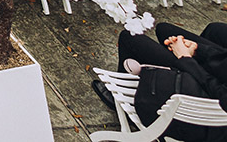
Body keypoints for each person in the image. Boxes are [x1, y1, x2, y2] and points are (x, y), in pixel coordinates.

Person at [92, 21, 227, 141]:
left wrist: (186, 59)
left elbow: (221, 94)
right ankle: (168, 70)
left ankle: (131, 99)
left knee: (130, 38)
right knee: (166, 30)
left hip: (212, 114)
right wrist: (199, 50)